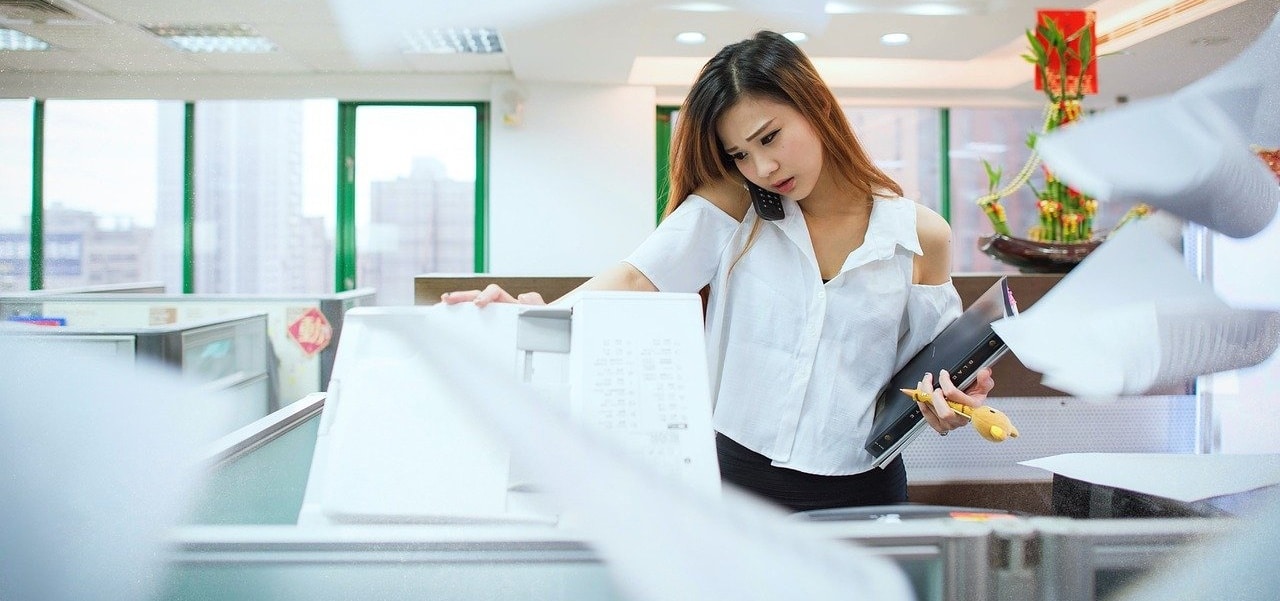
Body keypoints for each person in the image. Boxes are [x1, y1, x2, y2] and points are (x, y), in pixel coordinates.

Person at [443, 30, 994, 512]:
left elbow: (925, 377)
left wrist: (953, 398)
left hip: (864, 489)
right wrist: (537, 314)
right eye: (740, 154)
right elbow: (638, 278)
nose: (763, 167)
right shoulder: (735, 206)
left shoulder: (919, 235)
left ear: (817, 106)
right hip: (734, 486)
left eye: (769, 137)